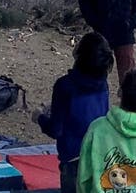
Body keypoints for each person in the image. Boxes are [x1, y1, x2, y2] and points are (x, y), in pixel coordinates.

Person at [37, 32, 114, 193]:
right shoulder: (103, 84)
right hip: (100, 155)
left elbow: (55, 130)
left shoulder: (64, 85)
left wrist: (39, 117)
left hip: (73, 159)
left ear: (81, 54)